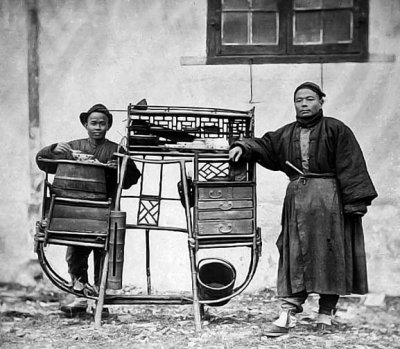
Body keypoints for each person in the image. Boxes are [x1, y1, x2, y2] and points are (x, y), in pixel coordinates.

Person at [229, 82, 377, 336]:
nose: (304, 104)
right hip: (297, 202)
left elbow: (351, 164)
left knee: (330, 254)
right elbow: (264, 145)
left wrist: (354, 203)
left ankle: (326, 311)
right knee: (293, 253)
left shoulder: (336, 129)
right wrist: (242, 146)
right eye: (299, 100)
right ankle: (287, 313)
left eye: (310, 99)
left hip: (329, 202)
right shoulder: (286, 133)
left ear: (321, 101)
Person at [36, 103, 141, 315]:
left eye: (103, 124)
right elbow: (43, 162)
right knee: (75, 252)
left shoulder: (116, 149)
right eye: (93, 123)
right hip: (75, 207)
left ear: (108, 126)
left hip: (105, 208)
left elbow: (133, 177)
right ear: (85, 124)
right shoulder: (72, 146)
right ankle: (81, 297)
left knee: (103, 253)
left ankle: (99, 299)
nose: (98, 127)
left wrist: (119, 168)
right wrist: (53, 149)